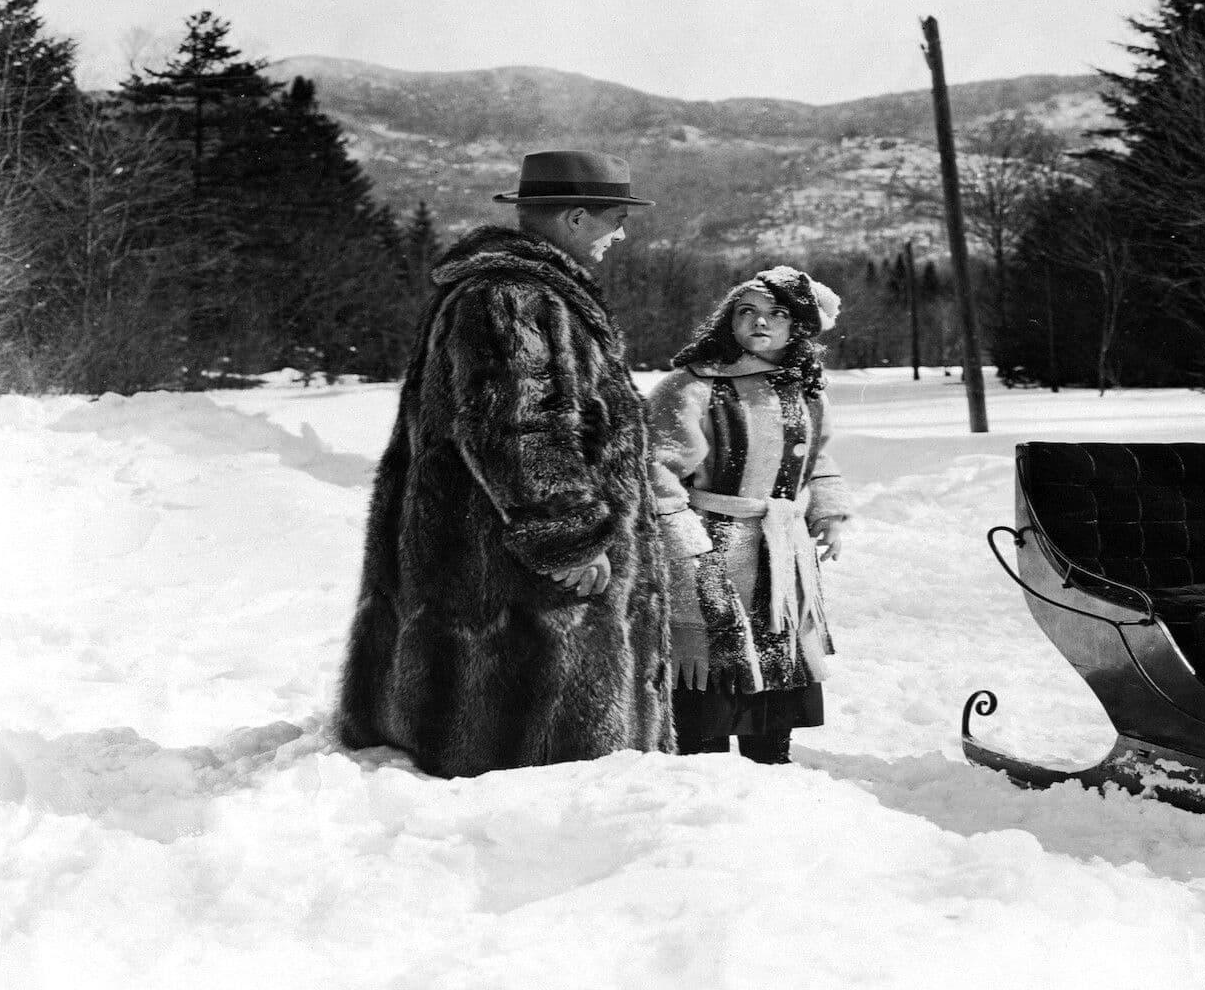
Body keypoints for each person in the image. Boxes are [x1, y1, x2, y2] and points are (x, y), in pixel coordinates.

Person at [336, 150, 674, 777]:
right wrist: (569, 537)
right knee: (540, 753)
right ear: (576, 218)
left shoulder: (525, 292)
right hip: (515, 577)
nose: (621, 236)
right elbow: (520, 427)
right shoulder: (512, 297)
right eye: (616, 220)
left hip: (502, 560)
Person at [646, 267, 851, 764]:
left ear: (796, 326)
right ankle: (702, 775)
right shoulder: (693, 387)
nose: (761, 322)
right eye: (748, 312)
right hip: (712, 547)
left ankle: (771, 767)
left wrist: (828, 510)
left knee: (778, 658)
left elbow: (817, 457)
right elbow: (656, 471)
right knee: (712, 667)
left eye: (776, 313)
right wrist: (683, 541)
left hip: (783, 550)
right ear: (729, 321)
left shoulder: (805, 390)